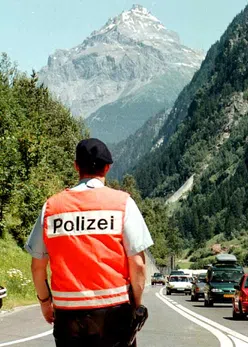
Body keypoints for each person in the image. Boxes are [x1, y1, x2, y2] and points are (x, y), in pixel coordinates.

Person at [25, 138, 154, 347]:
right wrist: (137, 306)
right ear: (107, 168)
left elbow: (37, 266)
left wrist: (45, 303)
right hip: (114, 312)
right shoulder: (122, 204)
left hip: (68, 315)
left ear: (76, 166)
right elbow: (138, 264)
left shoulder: (51, 207)